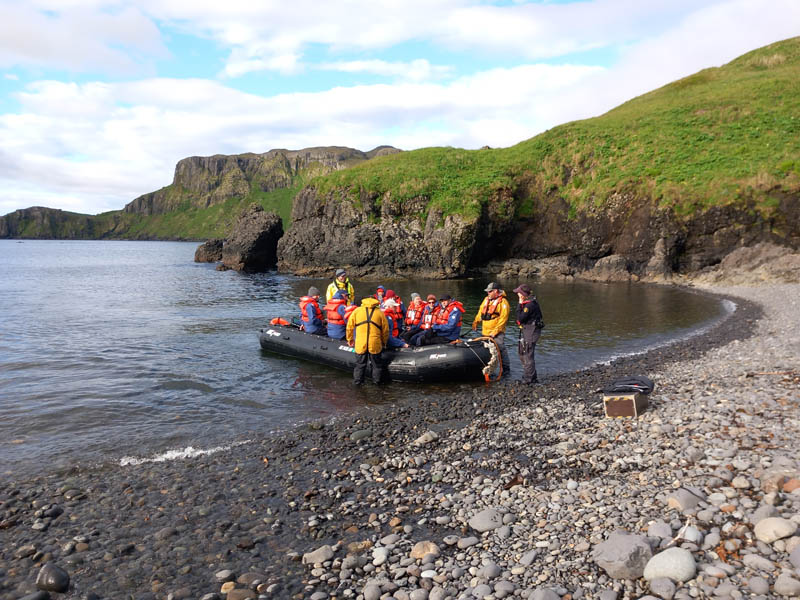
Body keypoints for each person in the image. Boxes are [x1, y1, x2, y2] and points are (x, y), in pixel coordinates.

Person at [346, 297, 390, 385]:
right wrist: (384, 342)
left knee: (360, 365)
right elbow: (385, 330)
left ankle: (358, 384)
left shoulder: (357, 311)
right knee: (376, 365)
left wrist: (350, 339)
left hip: (361, 343)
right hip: (375, 343)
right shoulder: (380, 313)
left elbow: (349, 327)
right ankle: (376, 383)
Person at [471, 282, 511, 375]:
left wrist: (495, 331)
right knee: (486, 351)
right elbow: (480, 312)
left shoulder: (503, 303)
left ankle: (506, 370)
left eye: (490, 291)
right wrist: (476, 322)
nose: (488, 293)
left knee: (500, 349)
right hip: (485, 331)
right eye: (488, 292)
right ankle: (488, 370)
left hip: (496, 333)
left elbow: (503, 319)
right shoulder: (486, 300)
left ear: (496, 291)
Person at [514, 283, 544, 384]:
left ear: (522, 295)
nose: (517, 294)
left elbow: (519, 318)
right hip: (528, 329)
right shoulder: (531, 302)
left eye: (518, 293)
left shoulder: (530, 305)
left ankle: (529, 379)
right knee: (523, 353)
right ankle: (531, 375)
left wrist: (519, 304)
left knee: (527, 354)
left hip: (532, 330)